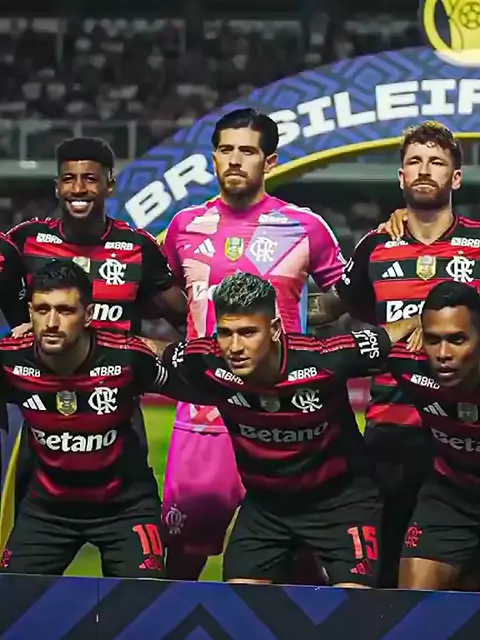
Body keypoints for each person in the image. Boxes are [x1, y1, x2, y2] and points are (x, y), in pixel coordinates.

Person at [160, 108, 347, 580]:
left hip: (286, 413)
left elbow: (345, 295)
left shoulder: (305, 227)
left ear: (270, 160)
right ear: (213, 158)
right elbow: (169, 297)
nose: (235, 160)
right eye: (225, 150)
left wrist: (303, 321)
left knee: (297, 559)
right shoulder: (184, 226)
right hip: (205, 410)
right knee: (183, 553)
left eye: (247, 151)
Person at [152, 272, 421, 586]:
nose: (235, 347)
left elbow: (390, 335)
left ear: (275, 329)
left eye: (248, 332)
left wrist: (420, 320)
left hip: (342, 503)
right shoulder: (204, 358)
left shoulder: (327, 357)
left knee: (355, 604)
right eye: (225, 333)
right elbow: (150, 350)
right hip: (266, 507)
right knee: (239, 602)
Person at [3, 137, 186, 535]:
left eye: (90, 178)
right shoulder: (26, 240)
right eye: (69, 179)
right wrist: (19, 324)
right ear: (57, 187)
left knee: (130, 516)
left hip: (116, 405)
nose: (79, 188)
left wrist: (167, 348)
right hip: (41, 406)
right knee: (28, 533)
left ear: (109, 185)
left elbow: (186, 319)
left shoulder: (137, 247)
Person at [334, 121, 480, 587]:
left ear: (456, 177)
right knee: (386, 577)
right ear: (401, 177)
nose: (424, 170)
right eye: (415, 161)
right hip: (390, 429)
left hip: (463, 434)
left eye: (436, 162)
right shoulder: (375, 246)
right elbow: (346, 309)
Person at [0, 261, 173, 576]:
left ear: (88, 314)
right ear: (30, 312)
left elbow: (197, 382)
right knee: (10, 597)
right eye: (42, 310)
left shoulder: (128, 356)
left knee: (145, 597)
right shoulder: (9, 358)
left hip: (126, 508)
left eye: (65, 310)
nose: (52, 322)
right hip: (47, 510)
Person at [386, 281, 480, 590]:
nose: (443, 354)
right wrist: (412, 322)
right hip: (450, 496)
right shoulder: (408, 363)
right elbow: (344, 352)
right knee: (411, 602)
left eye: (457, 340)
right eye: (432, 339)